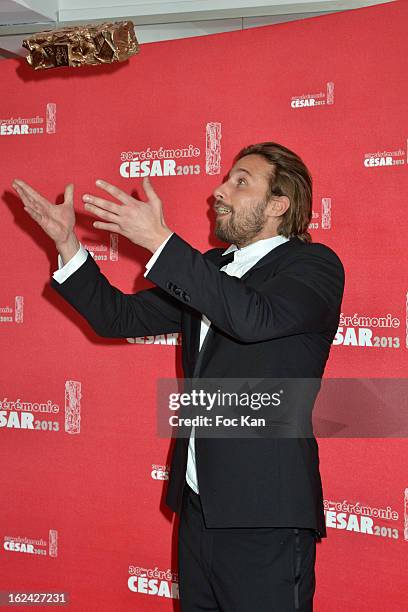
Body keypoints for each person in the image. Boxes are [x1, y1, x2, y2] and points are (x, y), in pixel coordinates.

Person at [12, 141, 345, 611]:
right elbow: (119, 318)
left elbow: (253, 319)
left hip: (264, 514)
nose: (219, 190)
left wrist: (160, 243)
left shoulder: (313, 266)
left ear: (278, 205)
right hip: (196, 508)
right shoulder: (211, 269)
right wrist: (67, 243)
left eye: (240, 181)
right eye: (226, 178)